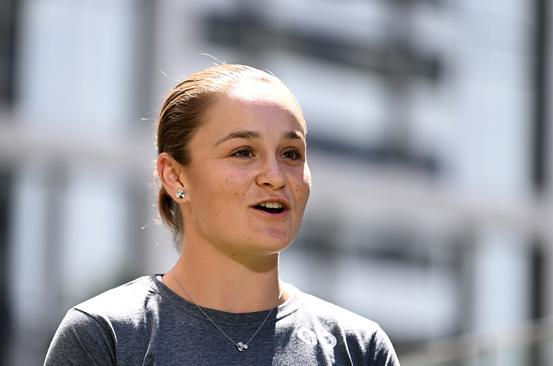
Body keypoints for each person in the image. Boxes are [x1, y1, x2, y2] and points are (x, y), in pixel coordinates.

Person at [44, 64, 400, 365]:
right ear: (175, 175)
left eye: (291, 153)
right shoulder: (105, 335)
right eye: (243, 152)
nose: (275, 177)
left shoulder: (360, 348)